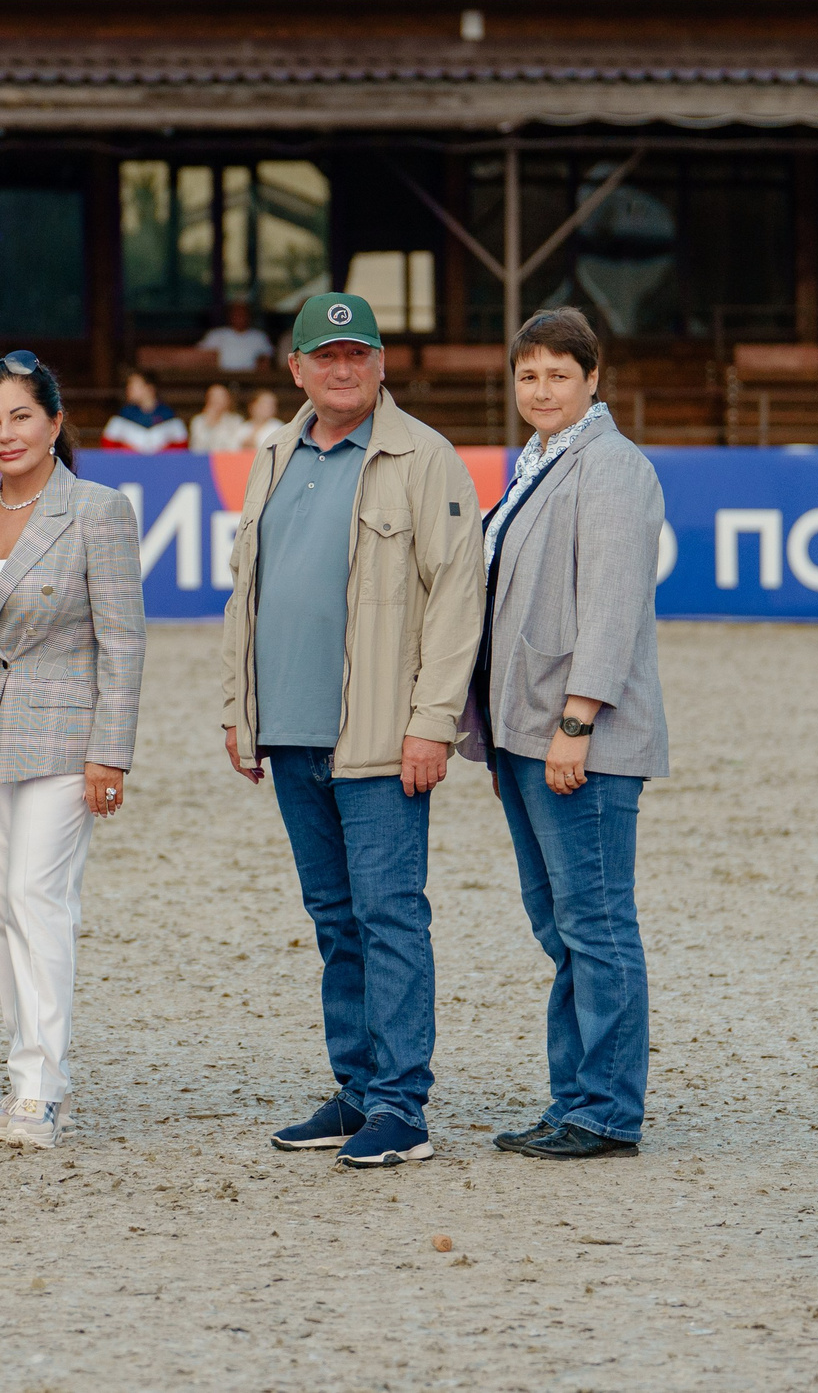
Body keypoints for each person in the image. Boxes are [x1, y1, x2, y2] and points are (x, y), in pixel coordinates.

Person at [220, 293, 484, 1172]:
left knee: (389, 914)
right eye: (325, 356)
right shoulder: (272, 454)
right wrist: (240, 708)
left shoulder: (425, 458)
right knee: (335, 919)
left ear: (381, 365)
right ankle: (357, 1088)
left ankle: (402, 1104)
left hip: (380, 736)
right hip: (291, 734)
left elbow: (456, 601)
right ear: (294, 368)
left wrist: (432, 723)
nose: (343, 369)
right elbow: (246, 592)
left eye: (358, 354)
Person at [469, 306, 668, 1161]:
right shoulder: (538, 463)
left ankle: (607, 1111)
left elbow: (614, 603)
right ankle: (573, 1097)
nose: (540, 388)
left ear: (593, 379)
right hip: (526, 729)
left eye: (558, 373)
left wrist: (577, 720)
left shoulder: (613, 466)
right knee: (561, 924)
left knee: (596, 924)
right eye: (528, 374)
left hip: (574, 731)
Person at [0, 350, 145, 1150]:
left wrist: (112, 752)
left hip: (67, 736)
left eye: (21, 415)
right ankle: (28, 1069)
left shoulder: (99, 508)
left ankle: (39, 1086)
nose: (5, 433)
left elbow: (123, 640)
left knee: (37, 897)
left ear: (56, 421)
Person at [102, 371, 185, 454]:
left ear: (149, 388)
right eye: (129, 385)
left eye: (133, 385)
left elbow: (180, 450)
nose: (129, 388)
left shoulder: (168, 415)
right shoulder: (122, 416)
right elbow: (109, 451)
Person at [197, 299, 274, 373]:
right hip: (218, 379)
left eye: (243, 313)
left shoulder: (259, 337)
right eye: (236, 313)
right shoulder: (215, 335)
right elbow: (201, 358)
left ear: (250, 316)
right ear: (229, 316)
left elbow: (265, 362)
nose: (240, 317)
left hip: (251, 381)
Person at [189, 382, 250, 454]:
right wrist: (209, 424)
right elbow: (196, 448)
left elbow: (235, 446)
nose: (218, 400)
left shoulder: (236, 421)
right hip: (204, 461)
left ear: (228, 400)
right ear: (208, 399)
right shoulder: (198, 421)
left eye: (221, 397)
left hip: (228, 460)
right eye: (214, 397)